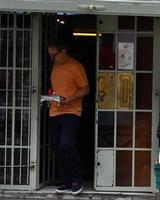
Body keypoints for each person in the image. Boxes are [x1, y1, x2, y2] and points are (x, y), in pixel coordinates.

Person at [48, 39, 89, 195]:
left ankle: (77, 179)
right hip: (54, 110)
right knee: (58, 148)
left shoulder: (76, 66)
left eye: (54, 55)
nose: (52, 58)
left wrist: (70, 99)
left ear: (63, 51)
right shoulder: (55, 64)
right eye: (50, 55)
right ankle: (65, 180)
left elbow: (86, 89)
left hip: (71, 111)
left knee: (66, 144)